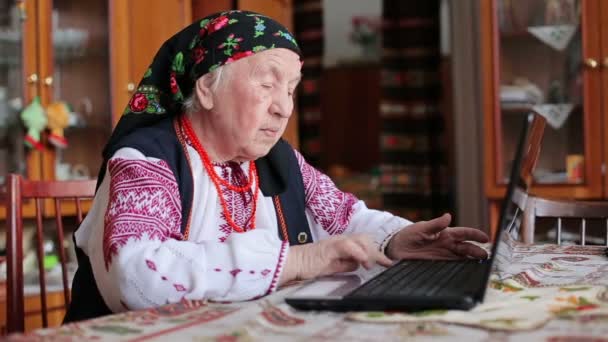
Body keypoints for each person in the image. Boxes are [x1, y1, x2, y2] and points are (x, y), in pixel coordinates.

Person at [64, 10, 488, 323]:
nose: (284, 106)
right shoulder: (146, 160)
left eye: (290, 88)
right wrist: (299, 261)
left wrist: (395, 240)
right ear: (207, 87)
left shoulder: (277, 158)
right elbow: (137, 276)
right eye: (267, 84)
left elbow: (344, 218)